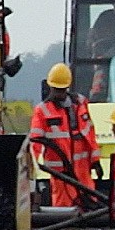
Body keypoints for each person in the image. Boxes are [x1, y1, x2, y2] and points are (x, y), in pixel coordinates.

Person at [27, 64, 101, 208]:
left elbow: (89, 133)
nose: (59, 93)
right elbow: (35, 142)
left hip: (82, 169)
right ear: (50, 88)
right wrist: (30, 169)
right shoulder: (42, 111)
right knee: (63, 207)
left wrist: (95, 160)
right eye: (56, 90)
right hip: (60, 173)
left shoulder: (80, 103)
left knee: (89, 204)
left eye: (62, 90)